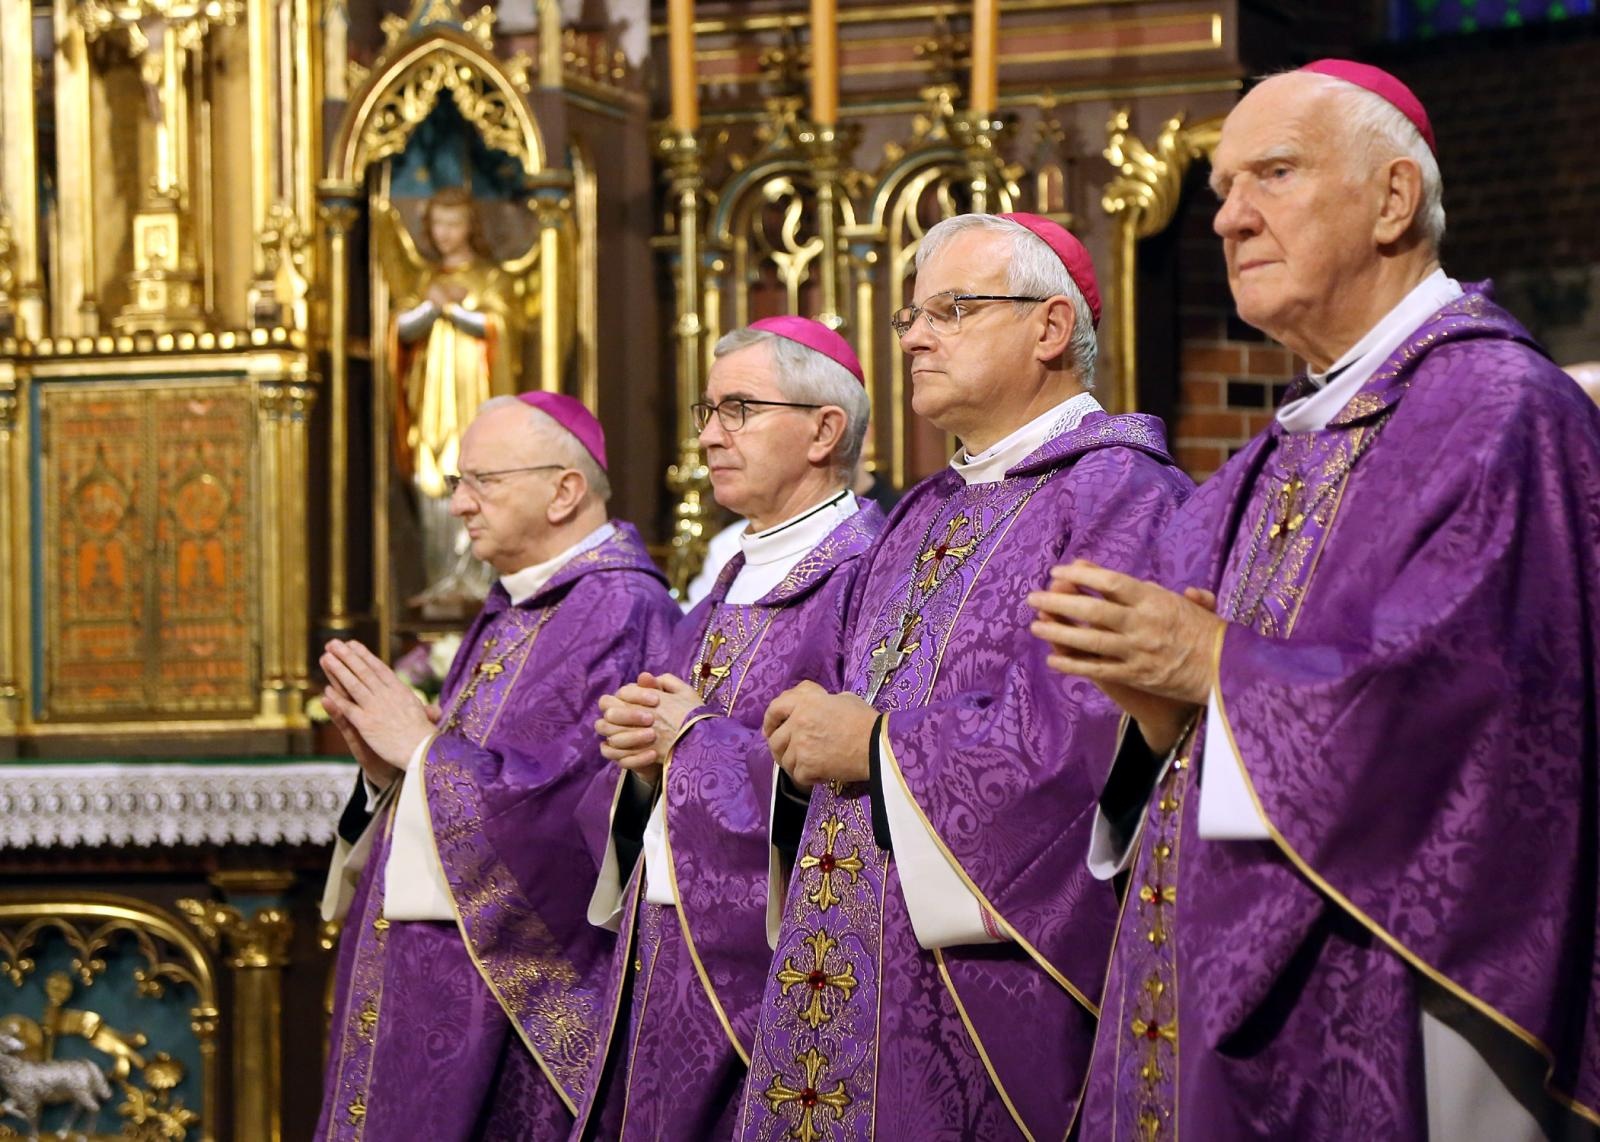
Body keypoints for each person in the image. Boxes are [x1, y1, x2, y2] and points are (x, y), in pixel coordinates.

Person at [1033, 61, 1600, 1140]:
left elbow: (1481, 718)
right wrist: (1156, 716)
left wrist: (1214, 668)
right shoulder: (1268, 457)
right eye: (1219, 193)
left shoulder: (1497, 410)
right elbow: (1198, 710)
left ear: (1392, 200)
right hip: (1210, 988)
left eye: (1274, 175)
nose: (1232, 218)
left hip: (1390, 985)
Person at [736, 214, 1193, 1141]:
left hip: (986, 984)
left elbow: (1089, 734)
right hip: (844, 956)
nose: (910, 335)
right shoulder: (917, 513)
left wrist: (873, 745)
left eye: (952, 308)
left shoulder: (1116, 493)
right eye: (912, 313)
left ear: (1050, 329)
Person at [314, 392, 679, 1141]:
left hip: (506, 1002)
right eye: (459, 482)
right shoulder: (515, 604)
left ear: (564, 490)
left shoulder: (618, 608)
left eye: (483, 481)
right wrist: (389, 773)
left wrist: (421, 754)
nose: (457, 506)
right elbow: (468, 766)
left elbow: (570, 811)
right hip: (433, 975)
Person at [577, 317, 884, 1140]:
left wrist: (693, 739)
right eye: (706, 412)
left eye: (739, 409)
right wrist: (641, 763)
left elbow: (857, 782)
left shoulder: (868, 576)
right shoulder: (728, 583)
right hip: (666, 954)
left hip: (778, 976)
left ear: (824, 430)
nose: (710, 436)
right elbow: (668, 764)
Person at [380, 188, 520, 609]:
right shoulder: (424, 280)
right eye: (438, 223)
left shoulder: (490, 277)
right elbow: (399, 330)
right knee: (433, 486)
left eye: (454, 223)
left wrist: (458, 311)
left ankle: (476, 580)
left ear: (470, 227)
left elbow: (503, 327)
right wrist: (430, 306)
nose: (446, 233)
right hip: (433, 408)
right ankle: (440, 577)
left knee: (479, 480)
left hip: (475, 402)